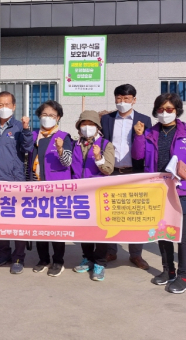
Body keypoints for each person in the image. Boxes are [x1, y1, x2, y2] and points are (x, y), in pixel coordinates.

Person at [132, 93, 186, 293]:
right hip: (157, 191)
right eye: (160, 109)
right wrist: (139, 136)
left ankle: (184, 276)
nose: (164, 113)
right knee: (162, 233)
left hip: (181, 191)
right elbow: (138, 156)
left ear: (177, 110)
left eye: (169, 109)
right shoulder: (149, 133)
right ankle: (168, 271)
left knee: (181, 235)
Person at [101, 84, 153, 269]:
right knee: (110, 212)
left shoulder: (144, 120)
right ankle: (111, 251)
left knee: (135, 215)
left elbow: (148, 147)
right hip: (112, 172)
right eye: (119, 98)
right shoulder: (106, 119)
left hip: (134, 173)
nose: (122, 102)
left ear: (134, 100)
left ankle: (136, 254)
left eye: (126, 98)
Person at [0, 91, 33, 274]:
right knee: (0, 222)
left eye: (7, 104)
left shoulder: (20, 127)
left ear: (14, 106)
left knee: (17, 222)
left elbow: (27, 148)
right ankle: (4, 253)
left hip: (14, 182)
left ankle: (19, 257)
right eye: (0, 104)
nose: (4, 108)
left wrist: (26, 130)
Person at [28, 100, 73, 277]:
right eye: (45, 115)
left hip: (56, 190)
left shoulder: (63, 136)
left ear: (58, 118)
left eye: (52, 115)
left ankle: (58, 261)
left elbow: (67, 162)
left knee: (56, 227)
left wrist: (61, 150)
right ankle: (43, 259)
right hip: (36, 187)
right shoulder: (33, 136)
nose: (48, 118)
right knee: (40, 227)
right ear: (39, 116)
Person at [71, 110, 115, 281]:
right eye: (84, 124)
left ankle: (100, 262)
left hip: (98, 195)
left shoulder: (105, 145)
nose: (87, 127)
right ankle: (87, 258)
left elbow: (108, 170)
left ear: (97, 127)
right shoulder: (75, 144)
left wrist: (98, 157)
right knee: (84, 229)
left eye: (91, 124)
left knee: (100, 230)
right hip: (79, 195)